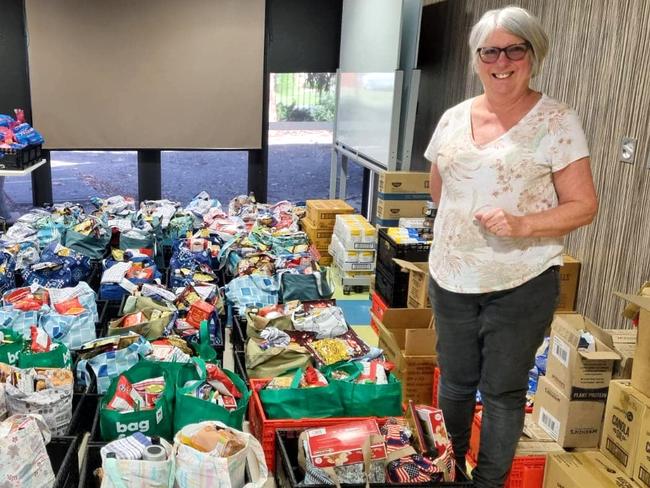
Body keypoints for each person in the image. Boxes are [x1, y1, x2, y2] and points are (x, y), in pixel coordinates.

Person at [424, 6, 598, 488]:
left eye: (514, 49)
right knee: (455, 383)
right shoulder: (454, 118)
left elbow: (584, 205)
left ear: (533, 54)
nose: (502, 61)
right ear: (477, 59)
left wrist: (522, 223)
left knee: (500, 391)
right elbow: (440, 189)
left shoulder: (558, 121)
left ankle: (489, 482)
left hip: (521, 282)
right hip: (451, 276)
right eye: (490, 51)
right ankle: (450, 472)